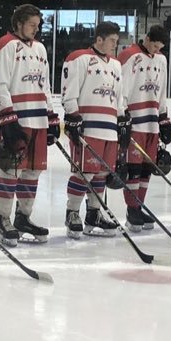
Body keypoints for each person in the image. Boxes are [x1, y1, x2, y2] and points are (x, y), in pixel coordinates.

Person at [0, 4, 57, 246]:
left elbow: (45, 85)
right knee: (11, 168)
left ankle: (23, 218)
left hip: (38, 119)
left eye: (38, 26)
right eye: (32, 25)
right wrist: (7, 119)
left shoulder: (39, 48)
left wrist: (51, 116)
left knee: (33, 171)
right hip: (16, 121)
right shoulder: (5, 45)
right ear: (18, 23)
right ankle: (3, 218)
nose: (36, 30)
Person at [61, 21, 125, 238]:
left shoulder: (116, 65)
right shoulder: (80, 58)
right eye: (112, 41)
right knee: (84, 172)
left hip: (109, 127)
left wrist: (123, 118)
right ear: (99, 39)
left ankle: (94, 214)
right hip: (88, 125)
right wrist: (72, 115)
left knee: (102, 172)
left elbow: (119, 96)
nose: (115, 45)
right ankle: (72, 213)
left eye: (117, 42)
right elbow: (69, 92)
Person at [115, 25, 171, 232]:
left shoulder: (161, 59)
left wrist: (164, 117)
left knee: (147, 168)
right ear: (146, 38)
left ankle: (138, 206)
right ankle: (132, 210)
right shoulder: (129, 56)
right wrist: (122, 114)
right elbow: (119, 87)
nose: (157, 50)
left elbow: (162, 90)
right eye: (154, 45)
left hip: (152, 121)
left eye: (160, 47)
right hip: (134, 120)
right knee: (133, 168)